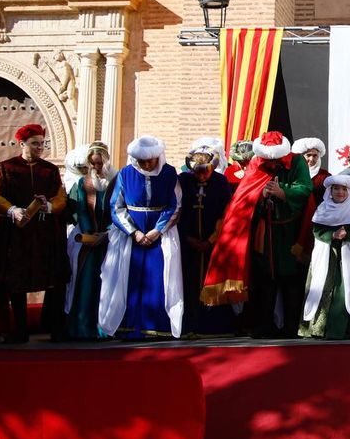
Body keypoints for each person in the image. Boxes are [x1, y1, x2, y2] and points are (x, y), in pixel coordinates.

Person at [202, 130, 312, 336]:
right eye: (267, 160)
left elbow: (305, 189)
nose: (270, 164)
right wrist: (261, 194)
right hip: (264, 231)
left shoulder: (297, 162)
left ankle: (290, 327)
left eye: (275, 160)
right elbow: (246, 193)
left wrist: (283, 192)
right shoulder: (256, 161)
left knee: (290, 280)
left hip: (289, 232)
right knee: (264, 281)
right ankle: (264, 325)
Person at [0, 123, 69, 343]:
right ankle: (20, 330)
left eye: (42, 143)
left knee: (53, 279)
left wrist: (48, 206)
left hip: (45, 234)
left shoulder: (50, 170)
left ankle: (54, 328)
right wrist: (12, 210)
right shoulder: (6, 168)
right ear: (22, 144)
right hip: (17, 234)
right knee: (17, 280)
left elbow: (60, 198)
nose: (40, 147)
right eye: (35, 144)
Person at [99, 136, 182, 338]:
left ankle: (157, 326)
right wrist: (134, 232)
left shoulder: (170, 174)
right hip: (131, 236)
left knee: (159, 278)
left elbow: (175, 204)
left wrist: (156, 231)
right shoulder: (125, 174)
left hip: (160, 235)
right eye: (142, 160)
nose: (146, 164)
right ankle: (127, 325)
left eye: (150, 160)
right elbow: (116, 207)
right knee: (129, 278)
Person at [299, 172, 350, 338]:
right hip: (326, 256)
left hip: (348, 257)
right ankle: (318, 328)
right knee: (321, 285)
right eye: (336, 188)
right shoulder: (322, 209)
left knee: (348, 288)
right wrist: (332, 235)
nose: (339, 192)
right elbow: (317, 230)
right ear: (329, 191)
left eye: (344, 189)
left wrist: (347, 233)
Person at [177, 136, 233, 335]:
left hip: (213, 244)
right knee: (188, 284)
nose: (201, 176)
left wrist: (211, 240)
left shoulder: (221, 182)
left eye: (205, 171)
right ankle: (188, 325)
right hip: (188, 244)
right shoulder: (183, 181)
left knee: (212, 283)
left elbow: (226, 213)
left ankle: (212, 326)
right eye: (197, 172)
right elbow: (177, 211)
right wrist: (188, 238)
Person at [64, 141, 114, 340]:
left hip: (110, 240)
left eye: (99, 163)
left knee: (108, 284)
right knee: (86, 284)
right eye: (93, 163)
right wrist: (90, 234)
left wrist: (108, 233)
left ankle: (105, 328)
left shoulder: (115, 181)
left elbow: (118, 208)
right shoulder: (83, 183)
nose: (96, 167)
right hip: (88, 241)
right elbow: (82, 210)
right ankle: (82, 327)